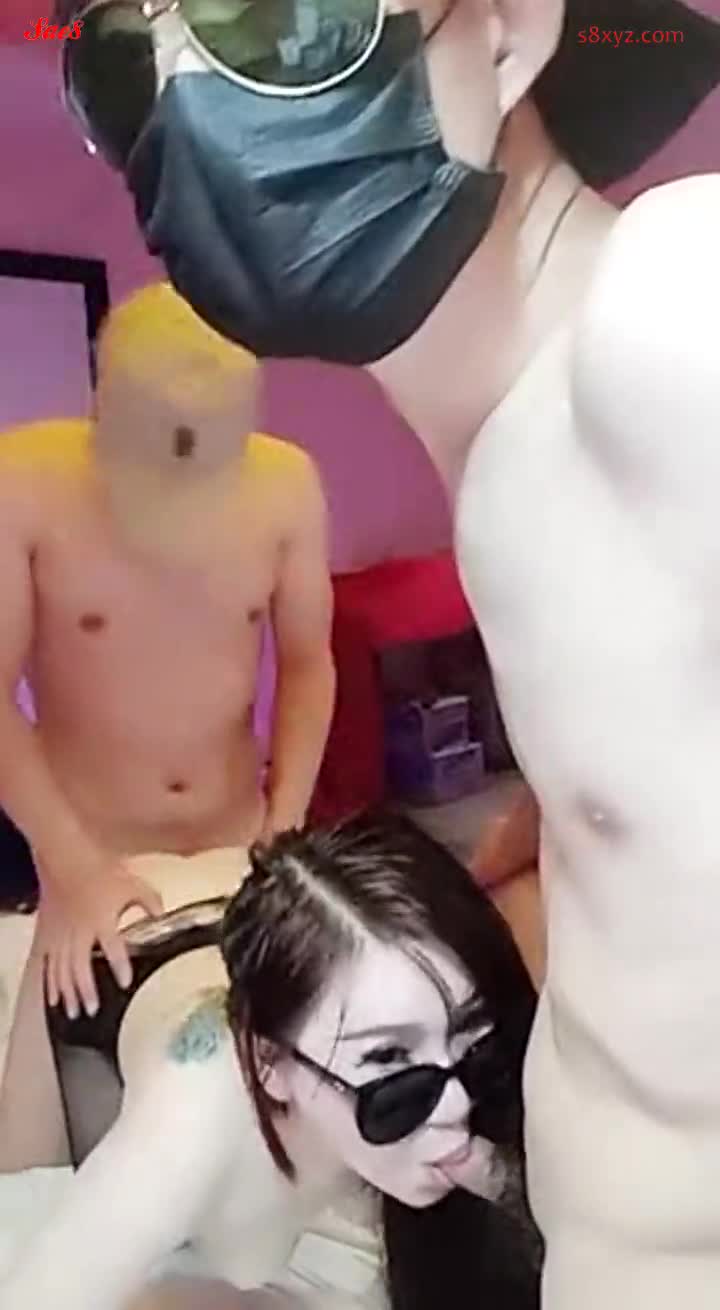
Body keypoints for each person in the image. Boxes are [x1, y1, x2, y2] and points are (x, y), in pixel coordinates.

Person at [55, 0, 720, 1301]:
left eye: (276, 22)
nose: (189, 95)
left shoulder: (673, 309)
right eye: (126, 61)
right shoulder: (524, 447)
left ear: (511, 33)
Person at [0, 281, 335, 1171]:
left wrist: (285, 827)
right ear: (103, 400)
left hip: (239, 840)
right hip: (96, 855)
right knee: (38, 1160)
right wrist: (74, 870)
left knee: (281, 1132)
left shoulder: (285, 485)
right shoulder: (25, 482)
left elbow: (310, 665)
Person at [0, 813, 539, 1310]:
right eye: (389, 1058)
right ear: (268, 1064)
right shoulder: (186, 1124)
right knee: (31, 1193)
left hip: (295, 929)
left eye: (470, 1035)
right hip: (126, 952)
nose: (455, 1104)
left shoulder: (469, 1061)